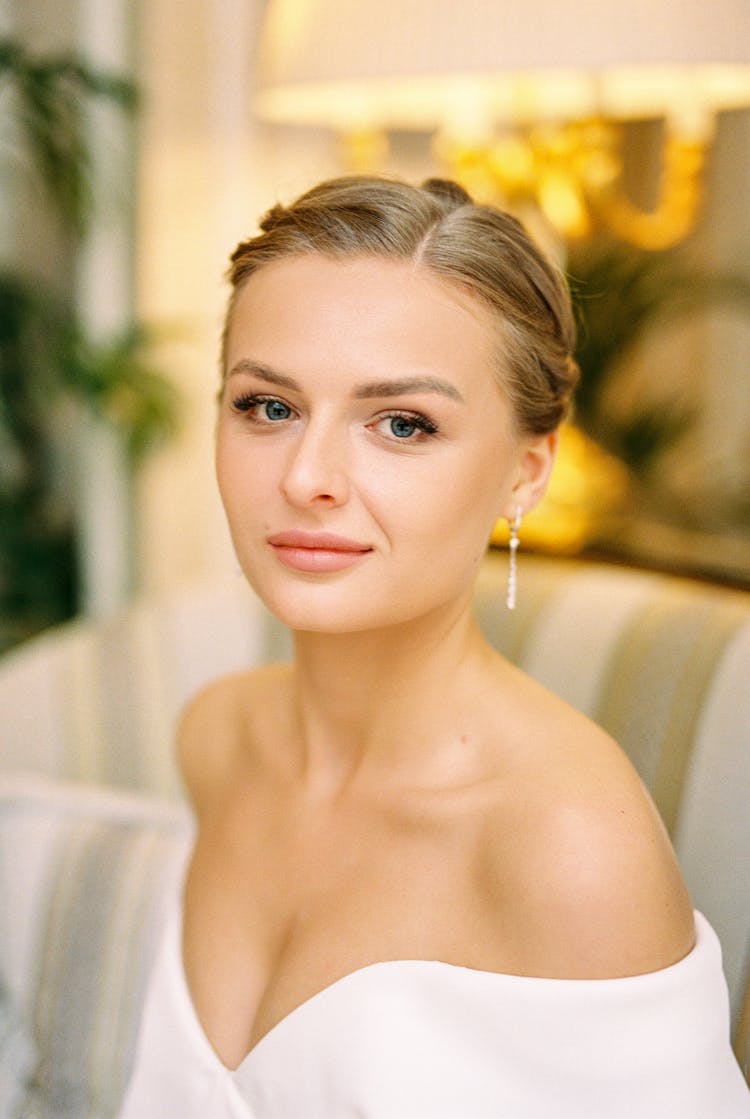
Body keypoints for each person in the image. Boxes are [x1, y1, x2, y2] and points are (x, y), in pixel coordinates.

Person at [119, 176, 750, 1117]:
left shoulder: (571, 848)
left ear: (524, 474)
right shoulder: (216, 737)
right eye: (268, 406)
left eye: (402, 423)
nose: (306, 477)